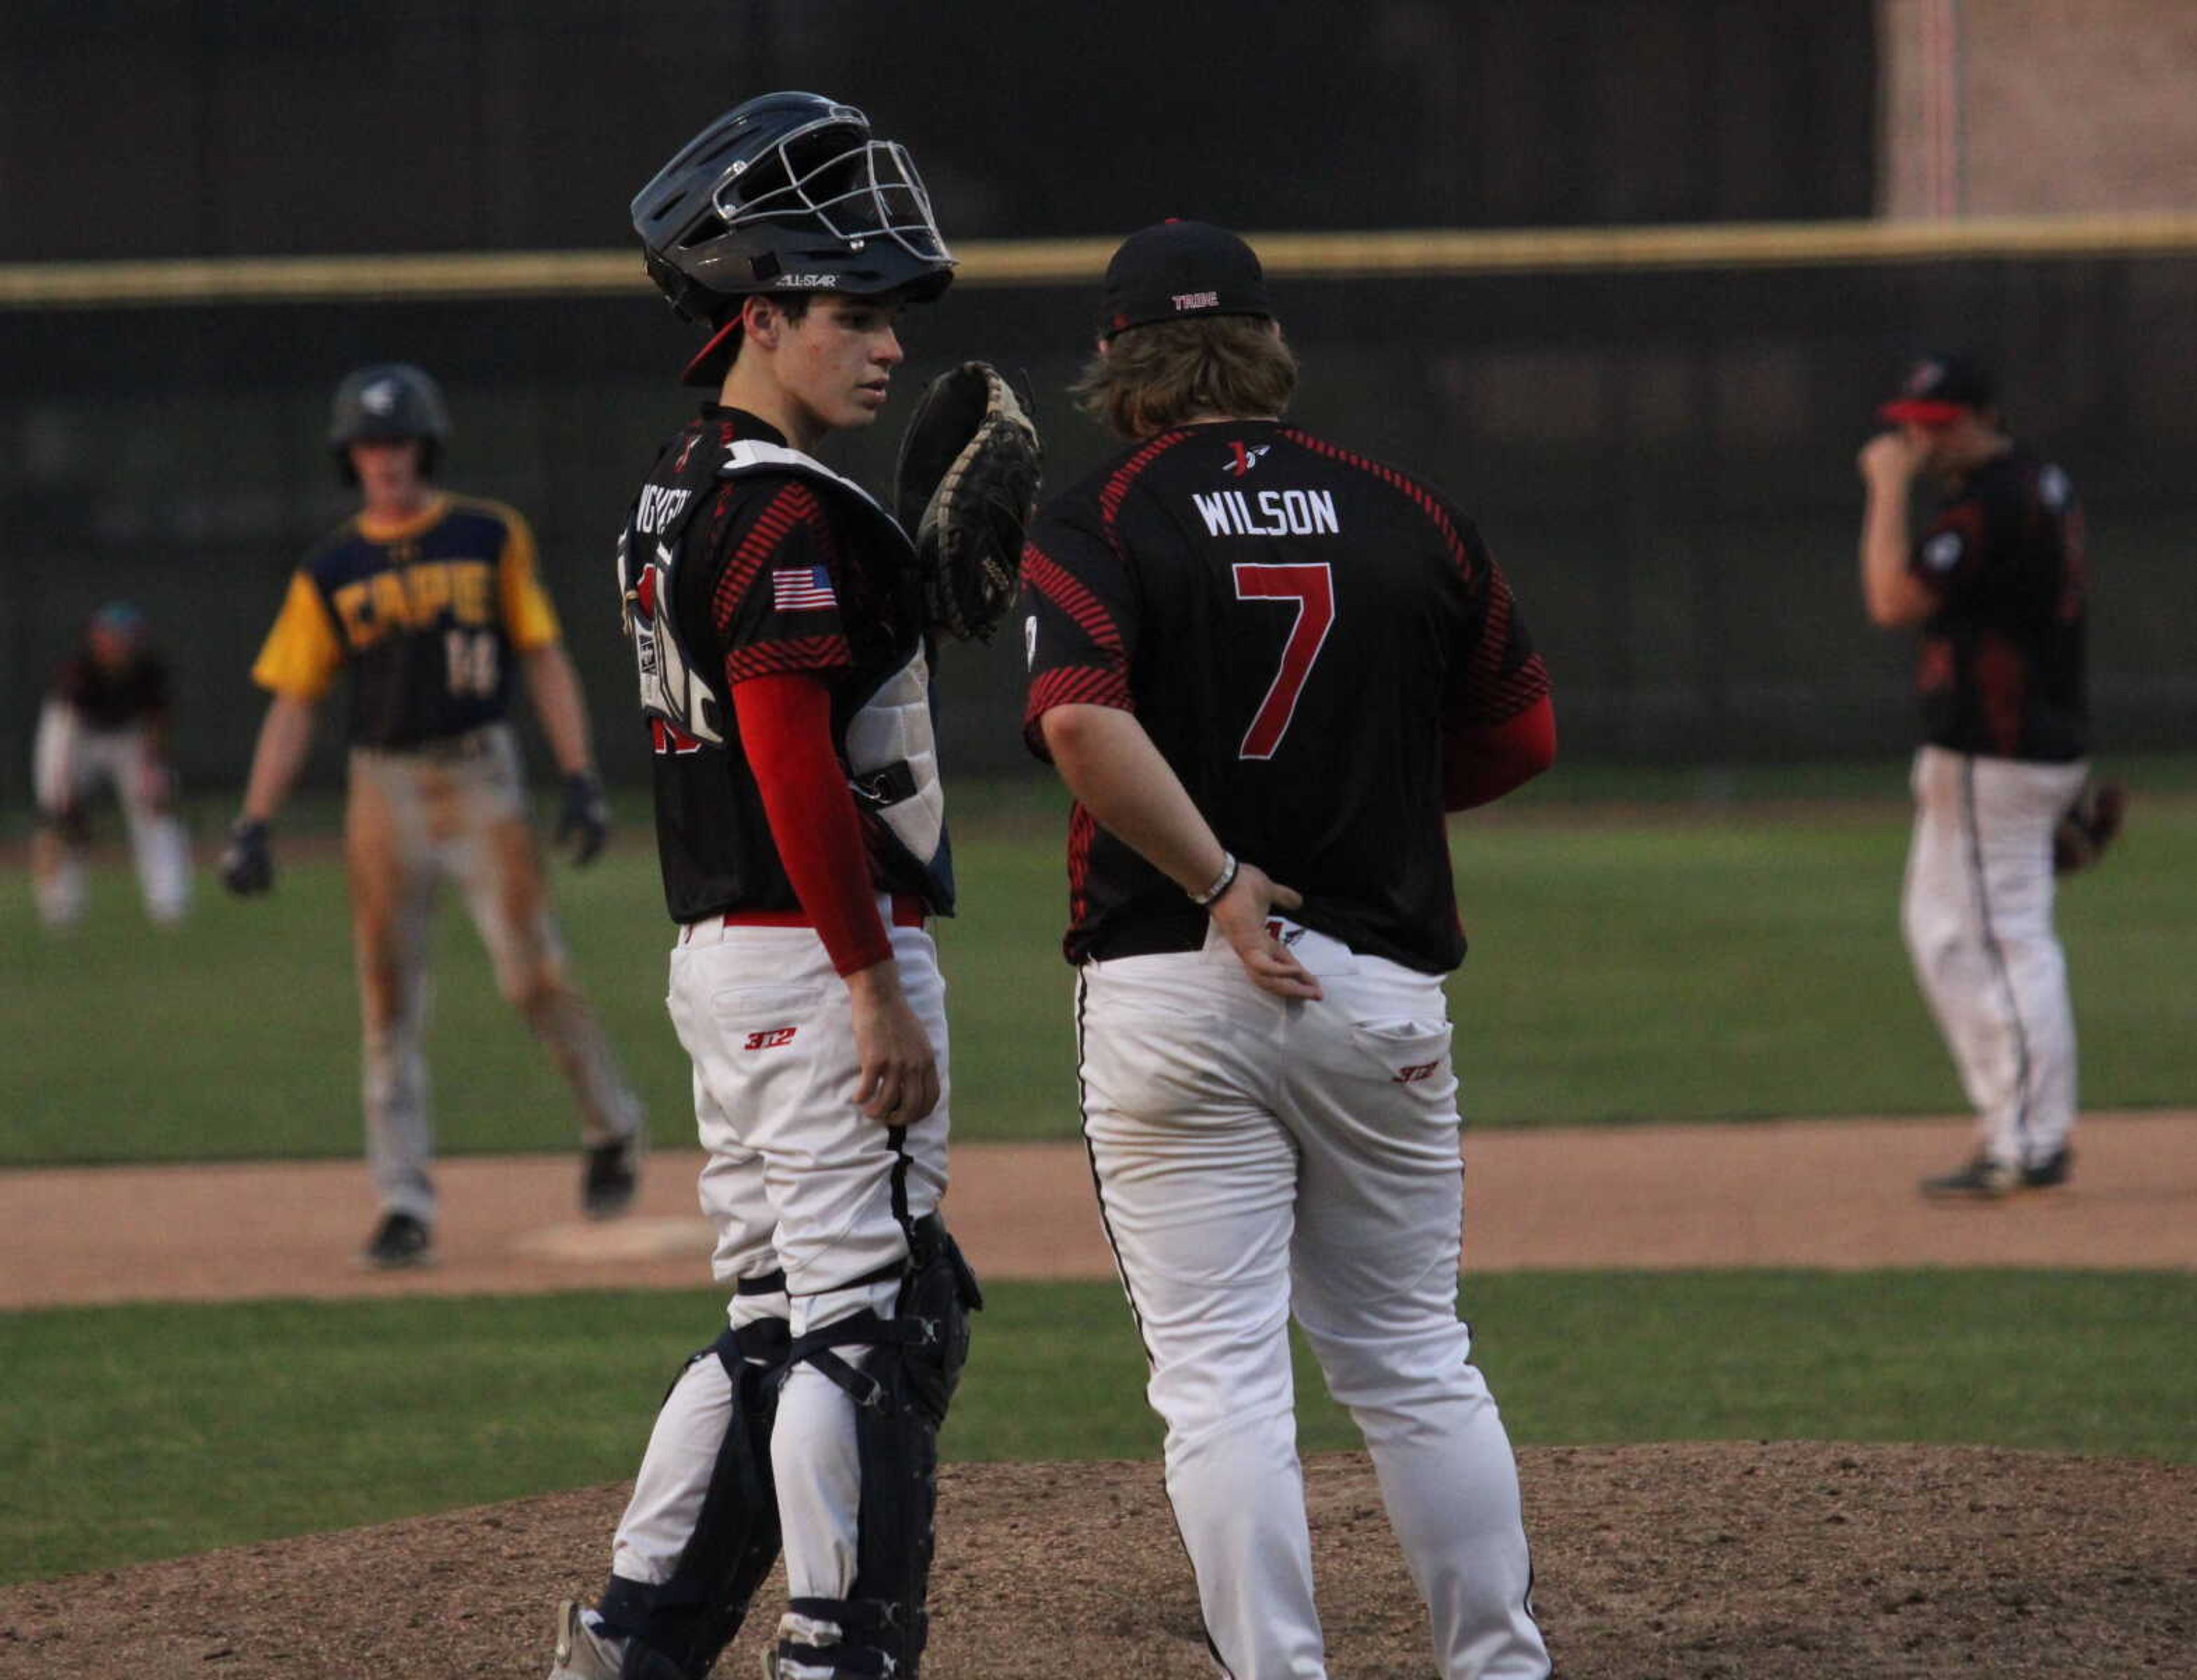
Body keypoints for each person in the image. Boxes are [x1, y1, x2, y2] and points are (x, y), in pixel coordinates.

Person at [1018, 219, 1556, 1679]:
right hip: (1371, 976)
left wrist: (1215, 876)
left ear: (1119, 359)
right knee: (1410, 1357)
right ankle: (1499, 1665)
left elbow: (1076, 714)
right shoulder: (1404, 509)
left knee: (1220, 1387)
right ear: (1266, 347)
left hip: (1168, 983)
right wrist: (1374, 800)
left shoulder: (1099, 512)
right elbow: (1524, 732)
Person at [548, 93, 981, 1680]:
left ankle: (638, 1635)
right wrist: (871, 980)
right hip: (813, 951)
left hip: (727, 951)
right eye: (852, 315)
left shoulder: (686, 478)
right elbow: (794, 752)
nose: (886, 349)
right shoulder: (785, 507)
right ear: (759, 314)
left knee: (775, 1314)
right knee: (874, 1328)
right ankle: (836, 1648)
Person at [217, 362, 645, 1268]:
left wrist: (580, 773)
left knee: (532, 978)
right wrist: (254, 819)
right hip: (384, 791)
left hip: (479, 776)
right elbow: (295, 700)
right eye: (370, 444)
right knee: (388, 1001)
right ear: (350, 457)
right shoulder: (331, 567)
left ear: (426, 447)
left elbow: (541, 653)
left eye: (400, 441)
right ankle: (403, 1201)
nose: (386, 459)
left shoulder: (489, 535)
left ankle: (610, 1124)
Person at [1858, 351, 2099, 1199]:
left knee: (2005, 939)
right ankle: (2016, 1123)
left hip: (1997, 750)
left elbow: (1891, 600)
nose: (1916, 440)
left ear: (1975, 418)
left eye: (1932, 425)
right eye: (1911, 426)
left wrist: (1885, 488)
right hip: (2013, 743)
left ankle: (2031, 1138)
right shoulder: (2036, 483)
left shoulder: (1992, 502)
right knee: (1942, 931)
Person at [30, 602, 192, 928]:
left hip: (129, 737)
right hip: (78, 737)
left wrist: (154, 770)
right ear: (96, 638)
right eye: (109, 636)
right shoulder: (79, 670)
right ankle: (60, 911)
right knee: (60, 819)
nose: (116, 644)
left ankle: (170, 905)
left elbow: (156, 722)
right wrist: (63, 789)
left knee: (156, 811)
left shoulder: (148, 668)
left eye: (123, 637)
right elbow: (64, 729)